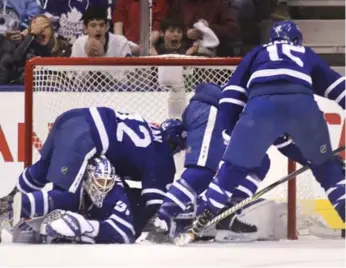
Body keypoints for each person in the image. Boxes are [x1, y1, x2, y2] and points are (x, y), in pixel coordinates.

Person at [179, 20, 345, 244]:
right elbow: (338, 88)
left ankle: (201, 219)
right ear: (296, 39)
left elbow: (232, 93)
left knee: (231, 170)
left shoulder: (257, 53)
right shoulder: (305, 53)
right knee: (327, 169)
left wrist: (230, 128)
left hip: (259, 108)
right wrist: (320, 159)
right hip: (302, 107)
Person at [6, 107, 183, 231]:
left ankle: (11, 196)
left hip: (70, 117)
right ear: (175, 145)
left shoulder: (148, 126)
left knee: (43, 169)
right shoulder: (163, 158)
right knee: (69, 199)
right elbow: (156, 210)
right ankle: (12, 208)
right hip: (86, 135)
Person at [146, 83, 270, 243]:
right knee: (202, 170)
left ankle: (226, 215)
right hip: (211, 107)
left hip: (233, 119)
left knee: (260, 162)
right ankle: (160, 221)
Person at [7, 155, 142, 244]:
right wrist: (12, 208)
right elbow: (45, 200)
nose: (103, 188)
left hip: (145, 220)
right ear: (88, 178)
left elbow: (126, 232)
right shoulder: (73, 189)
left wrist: (88, 228)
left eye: (108, 182)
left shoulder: (116, 192)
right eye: (100, 181)